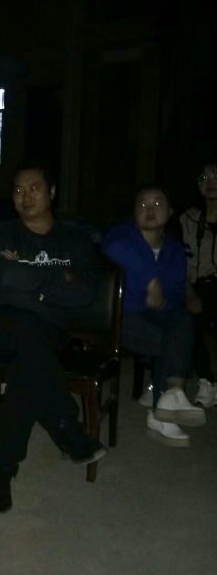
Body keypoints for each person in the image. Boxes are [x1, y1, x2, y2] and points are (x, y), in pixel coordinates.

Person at [0, 164, 105, 513]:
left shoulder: (75, 240)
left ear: (52, 192)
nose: (25, 196)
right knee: (28, 334)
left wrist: (32, 282)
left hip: (47, 333)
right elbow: (5, 278)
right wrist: (57, 281)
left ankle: (3, 467)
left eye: (34, 188)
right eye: (18, 190)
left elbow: (84, 294)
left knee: (27, 366)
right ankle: (64, 424)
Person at [103, 183, 205, 448]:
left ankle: (172, 394)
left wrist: (180, 299)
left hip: (159, 315)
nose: (149, 209)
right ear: (134, 212)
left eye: (157, 204)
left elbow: (176, 291)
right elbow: (113, 248)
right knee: (174, 342)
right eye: (142, 204)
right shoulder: (123, 235)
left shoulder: (175, 249)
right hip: (121, 316)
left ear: (170, 212)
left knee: (182, 322)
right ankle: (163, 405)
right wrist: (151, 281)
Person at [180, 160, 217, 407]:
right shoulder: (188, 219)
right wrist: (189, 291)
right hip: (197, 285)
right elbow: (178, 261)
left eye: (216, 177)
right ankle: (206, 380)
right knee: (188, 318)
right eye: (205, 178)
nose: (211, 183)